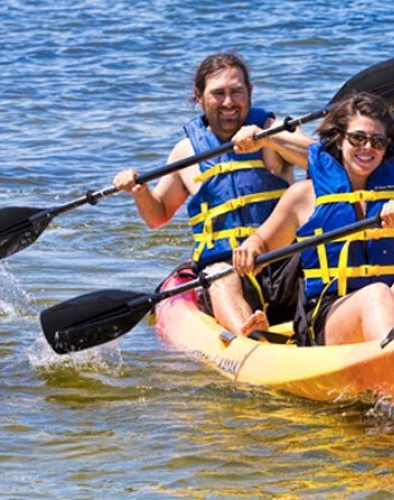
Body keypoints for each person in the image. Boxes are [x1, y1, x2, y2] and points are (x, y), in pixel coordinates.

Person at [232, 91, 394, 346]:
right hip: (329, 315)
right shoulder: (304, 195)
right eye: (358, 138)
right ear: (339, 140)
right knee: (376, 295)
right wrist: (250, 248)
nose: (367, 148)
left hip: (392, 303)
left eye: (377, 141)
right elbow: (262, 244)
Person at [113, 53, 312, 335]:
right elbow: (157, 216)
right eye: (218, 93)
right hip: (227, 266)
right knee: (220, 275)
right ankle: (252, 337)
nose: (229, 102)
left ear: (249, 92)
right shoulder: (186, 152)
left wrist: (269, 139)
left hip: (283, 260)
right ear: (199, 96)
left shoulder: (272, 130)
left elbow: (322, 160)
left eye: (237, 92)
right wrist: (139, 190)